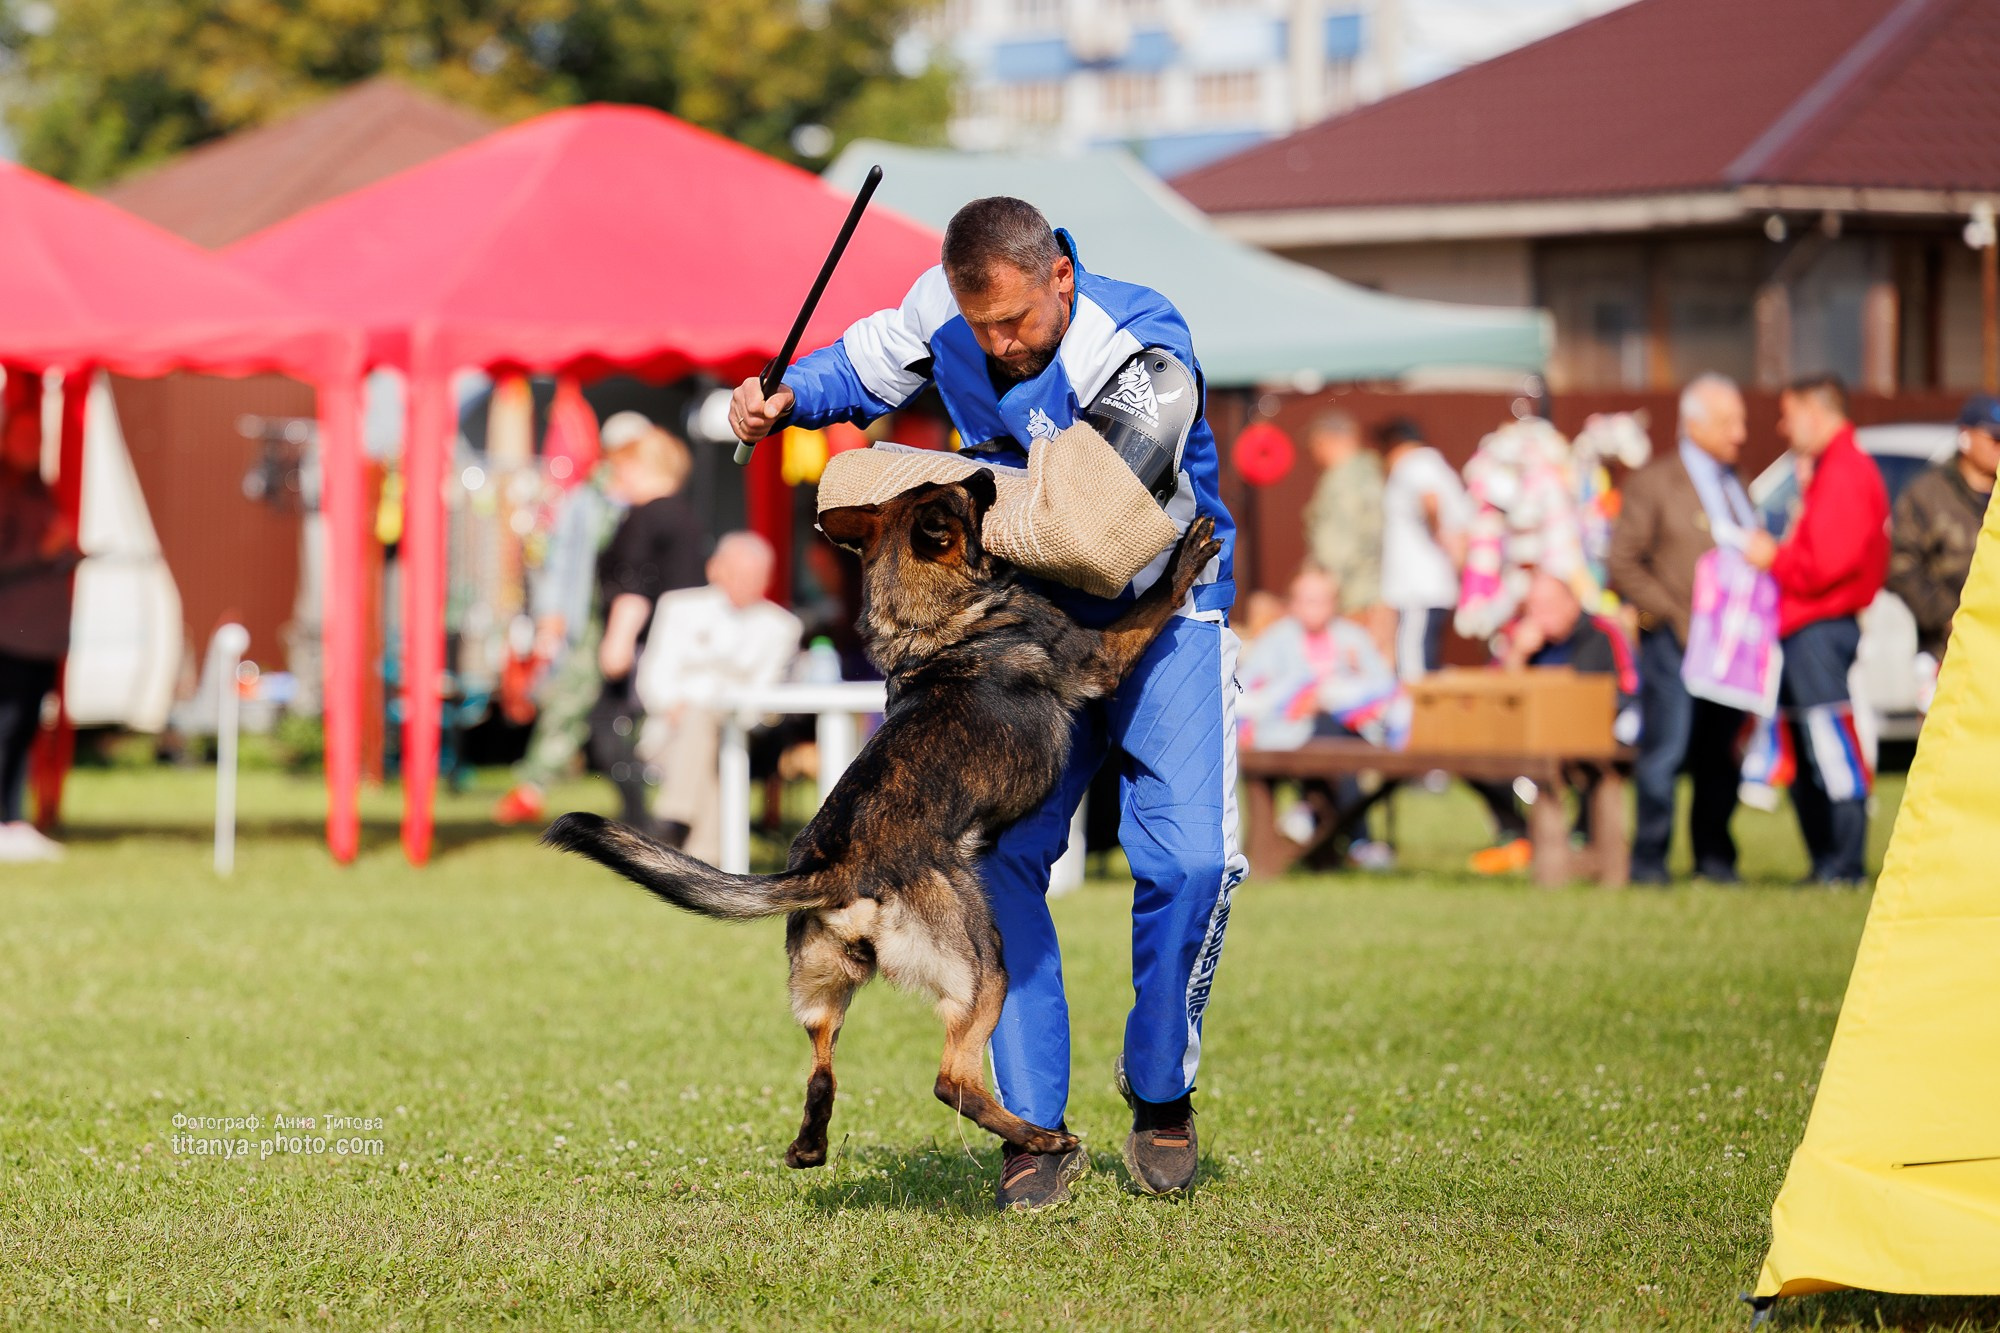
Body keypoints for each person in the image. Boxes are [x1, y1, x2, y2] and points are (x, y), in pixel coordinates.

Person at [730, 196, 1241, 1211]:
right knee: (992, 864)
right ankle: (1033, 1128)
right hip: (1009, 632)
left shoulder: (1144, 347)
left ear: (1058, 273)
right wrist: (787, 396)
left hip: (1160, 613)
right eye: (981, 329)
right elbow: (859, 364)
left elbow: (1086, 521)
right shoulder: (945, 310)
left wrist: (930, 486)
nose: (999, 347)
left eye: (1014, 322)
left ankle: (1159, 1090)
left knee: (1185, 862)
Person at [1608, 373, 1756, 885]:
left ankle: (1715, 860)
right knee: (1666, 752)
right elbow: (1622, 563)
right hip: (1675, 643)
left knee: (1720, 755)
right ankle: (1650, 863)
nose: (1740, 432)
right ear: (1693, 425)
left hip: (1731, 648)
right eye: (1727, 422)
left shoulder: (1735, 482)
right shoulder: (1655, 483)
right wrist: (1673, 615)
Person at [1745, 375, 1890, 887]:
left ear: (1815, 410)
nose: (1782, 427)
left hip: (1820, 624)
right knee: (1803, 748)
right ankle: (1824, 861)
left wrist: (1774, 558)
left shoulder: (1847, 470)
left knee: (1830, 740)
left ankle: (1844, 864)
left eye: (1789, 414)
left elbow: (1828, 562)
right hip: (1802, 624)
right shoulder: (1826, 470)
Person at [493, 418, 634, 826]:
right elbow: (561, 561)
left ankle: (637, 798)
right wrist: (551, 613)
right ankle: (533, 786)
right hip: (586, 623)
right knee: (568, 700)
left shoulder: (638, 499)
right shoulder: (584, 501)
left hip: (629, 621)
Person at [634, 532, 803, 864]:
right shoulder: (678, 607)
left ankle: (673, 820)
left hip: (741, 731)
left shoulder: (782, 627)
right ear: (716, 570)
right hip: (671, 730)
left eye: (755, 577)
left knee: (710, 728)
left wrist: (713, 710)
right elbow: (655, 675)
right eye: (739, 575)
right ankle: (705, 861)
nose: (746, 585)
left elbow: (762, 696)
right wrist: (673, 705)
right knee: (703, 735)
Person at [1470, 568, 1639, 869]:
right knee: (1474, 756)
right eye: (1533, 607)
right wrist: (1517, 657)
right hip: (1530, 735)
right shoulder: (1522, 637)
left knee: (1593, 765)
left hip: (1591, 732)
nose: (1538, 615)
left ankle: (1583, 835)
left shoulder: (1601, 633)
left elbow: (1627, 688)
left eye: (1546, 606)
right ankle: (1519, 832)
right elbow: (1491, 694)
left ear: (1571, 603)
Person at [1237, 565, 1400, 869]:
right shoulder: (1277, 639)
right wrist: (1296, 698)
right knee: (1329, 736)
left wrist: (1354, 678)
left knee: (1335, 733)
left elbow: (1382, 688)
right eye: (1307, 600)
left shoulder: (1351, 637)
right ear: (1293, 603)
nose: (1315, 608)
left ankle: (1311, 814)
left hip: (1348, 732)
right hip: (1288, 736)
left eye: (1322, 600)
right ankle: (1352, 837)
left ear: (1334, 602)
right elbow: (1249, 690)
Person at [587, 415, 705, 834]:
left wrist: (617, 641)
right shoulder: (685, 517)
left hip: (646, 645)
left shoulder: (645, 516)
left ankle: (644, 826)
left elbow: (634, 582)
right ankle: (670, 820)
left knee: (609, 729)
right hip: (681, 644)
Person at [0, 393, 79, 862]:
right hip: (8, 632)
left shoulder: (39, 489)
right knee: (5, 727)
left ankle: (14, 817)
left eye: (39, 437)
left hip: (41, 634)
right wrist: (44, 554)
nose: (35, 445)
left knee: (27, 728)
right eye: (26, 436)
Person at [1887, 394, 1999, 663]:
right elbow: (1902, 564)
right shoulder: (1928, 495)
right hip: (1946, 648)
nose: (1999, 447)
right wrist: (1948, 617)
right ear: (1966, 436)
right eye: (1994, 438)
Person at [1377, 417, 1470, 680]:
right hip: (1431, 585)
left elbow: (1430, 499)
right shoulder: (1436, 465)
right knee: (1425, 660)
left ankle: (1418, 721)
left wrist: (1438, 528)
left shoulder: (1415, 462)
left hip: (1417, 588)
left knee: (1412, 669)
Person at [1302, 410, 1388, 649]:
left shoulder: (1344, 479)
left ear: (1326, 439)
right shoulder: (1369, 471)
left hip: (1352, 596)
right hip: (1367, 590)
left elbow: (1340, 544)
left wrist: (1323, 589)